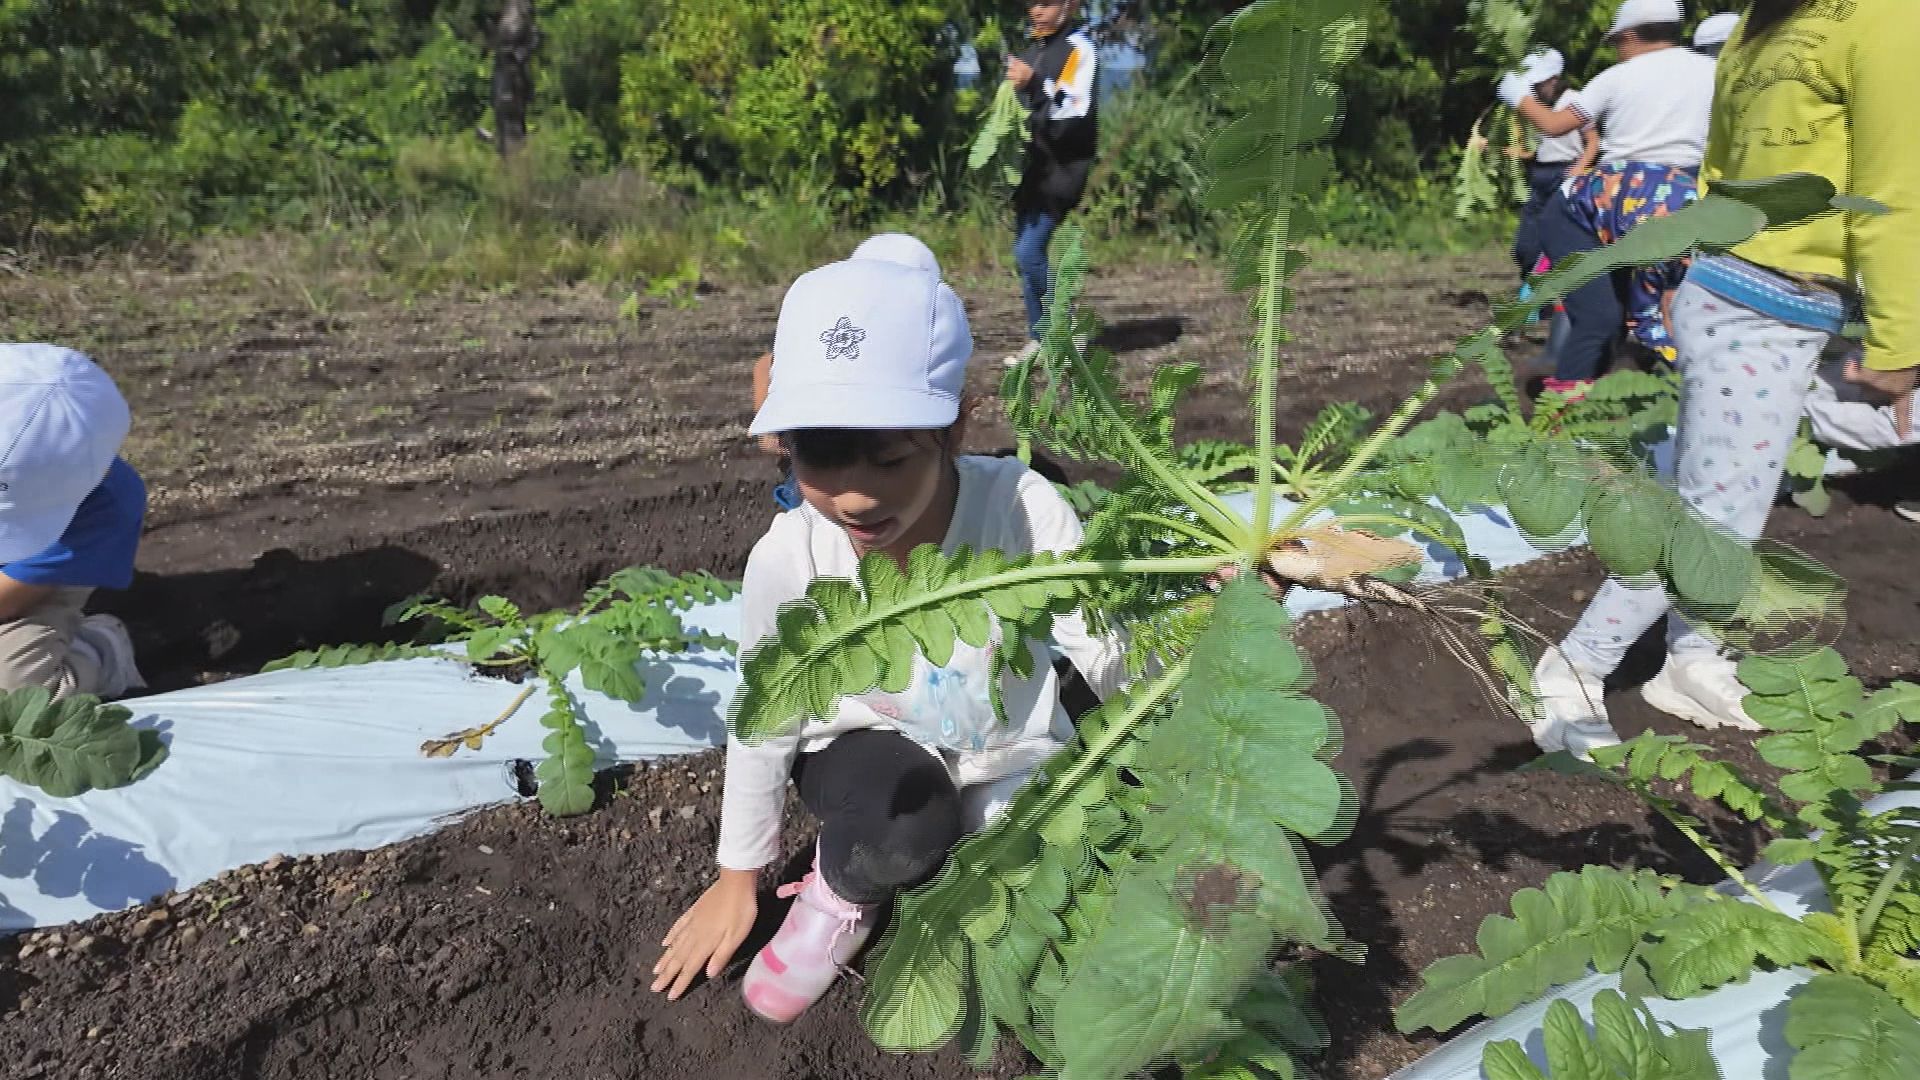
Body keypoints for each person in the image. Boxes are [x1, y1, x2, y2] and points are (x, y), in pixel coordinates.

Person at [654, 240, 1129, 1020]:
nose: (854, 498)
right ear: (785, 446)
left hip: (1008, 747)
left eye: (888, 459)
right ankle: (841, 893)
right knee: (911, 823)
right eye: (823, 461)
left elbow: (1099, 643)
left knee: (1054, 862)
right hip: (861, 750)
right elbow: (766, 711)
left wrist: (1192, 666)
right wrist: (738, 878)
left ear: (954, 429)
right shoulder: (791, 553)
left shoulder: (1022, 507)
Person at [1527, 0, 1919, 757]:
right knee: (1717, 523)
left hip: (1745, 292)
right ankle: (1575, 664)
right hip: (1764, 305)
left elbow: (1720, 166)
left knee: (1728, 497)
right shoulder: (1881, 19)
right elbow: (1892, 193)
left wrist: (1686, 266)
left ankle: (1691, 659)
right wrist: (1901, 341)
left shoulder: (1758, 21)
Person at [1500, 0, 1717, 397]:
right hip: (1673, 200)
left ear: (1631, 36)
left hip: (1610, 201)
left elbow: (1552, 124)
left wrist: (1517, 96)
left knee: (1604, 318)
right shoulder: (1715, 72)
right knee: (1662, 309)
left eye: (1617, 41)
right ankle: (1672, 397)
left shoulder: (1618, 76)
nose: (1617, 48)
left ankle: (1570, 409)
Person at [1, 344, 148, 700]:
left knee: (18, 689)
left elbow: (6, 600)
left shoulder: (101, 507)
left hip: (14, 586)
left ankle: (100, 651)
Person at [1004, 1, 1098, 368]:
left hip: (1062, 170)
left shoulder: (1079, 50)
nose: (1037, 10)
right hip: (1031, 172)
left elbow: (1074, 110)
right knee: (1027, 259)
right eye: (1032, 3)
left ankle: (1067, 325)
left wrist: (1034, 85)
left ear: (1069, 5)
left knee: (1028, 252)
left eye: (1047, 3)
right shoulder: (1033, 51)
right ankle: (1040, 338)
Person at [1510, 48, 1600, 284]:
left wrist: (1580, 167)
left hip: (1566, 173)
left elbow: (1593, 141)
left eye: (1539, 84)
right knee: (1526, 245)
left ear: (1553, 80)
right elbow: (1532, 149)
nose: (1536, 90)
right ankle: (1535, 288)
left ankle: (1556, 296)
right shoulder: (1536, 106)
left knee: (1557, 238)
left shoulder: (1575, 101)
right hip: (1541, 173)